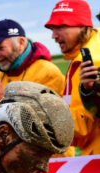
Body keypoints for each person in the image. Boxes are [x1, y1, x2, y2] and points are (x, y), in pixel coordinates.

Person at [45, 0, 100, 155]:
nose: (54, 36)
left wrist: (41, 117)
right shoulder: (82, 54)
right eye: (52, 28)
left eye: (61, 27)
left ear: (82, 25)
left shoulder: (93, 62)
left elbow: (84, 124)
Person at [0, 19, 65, 109]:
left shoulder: (48, 73)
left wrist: (2, 103)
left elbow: (49, 116)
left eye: (1, 48)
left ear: (21, 43)